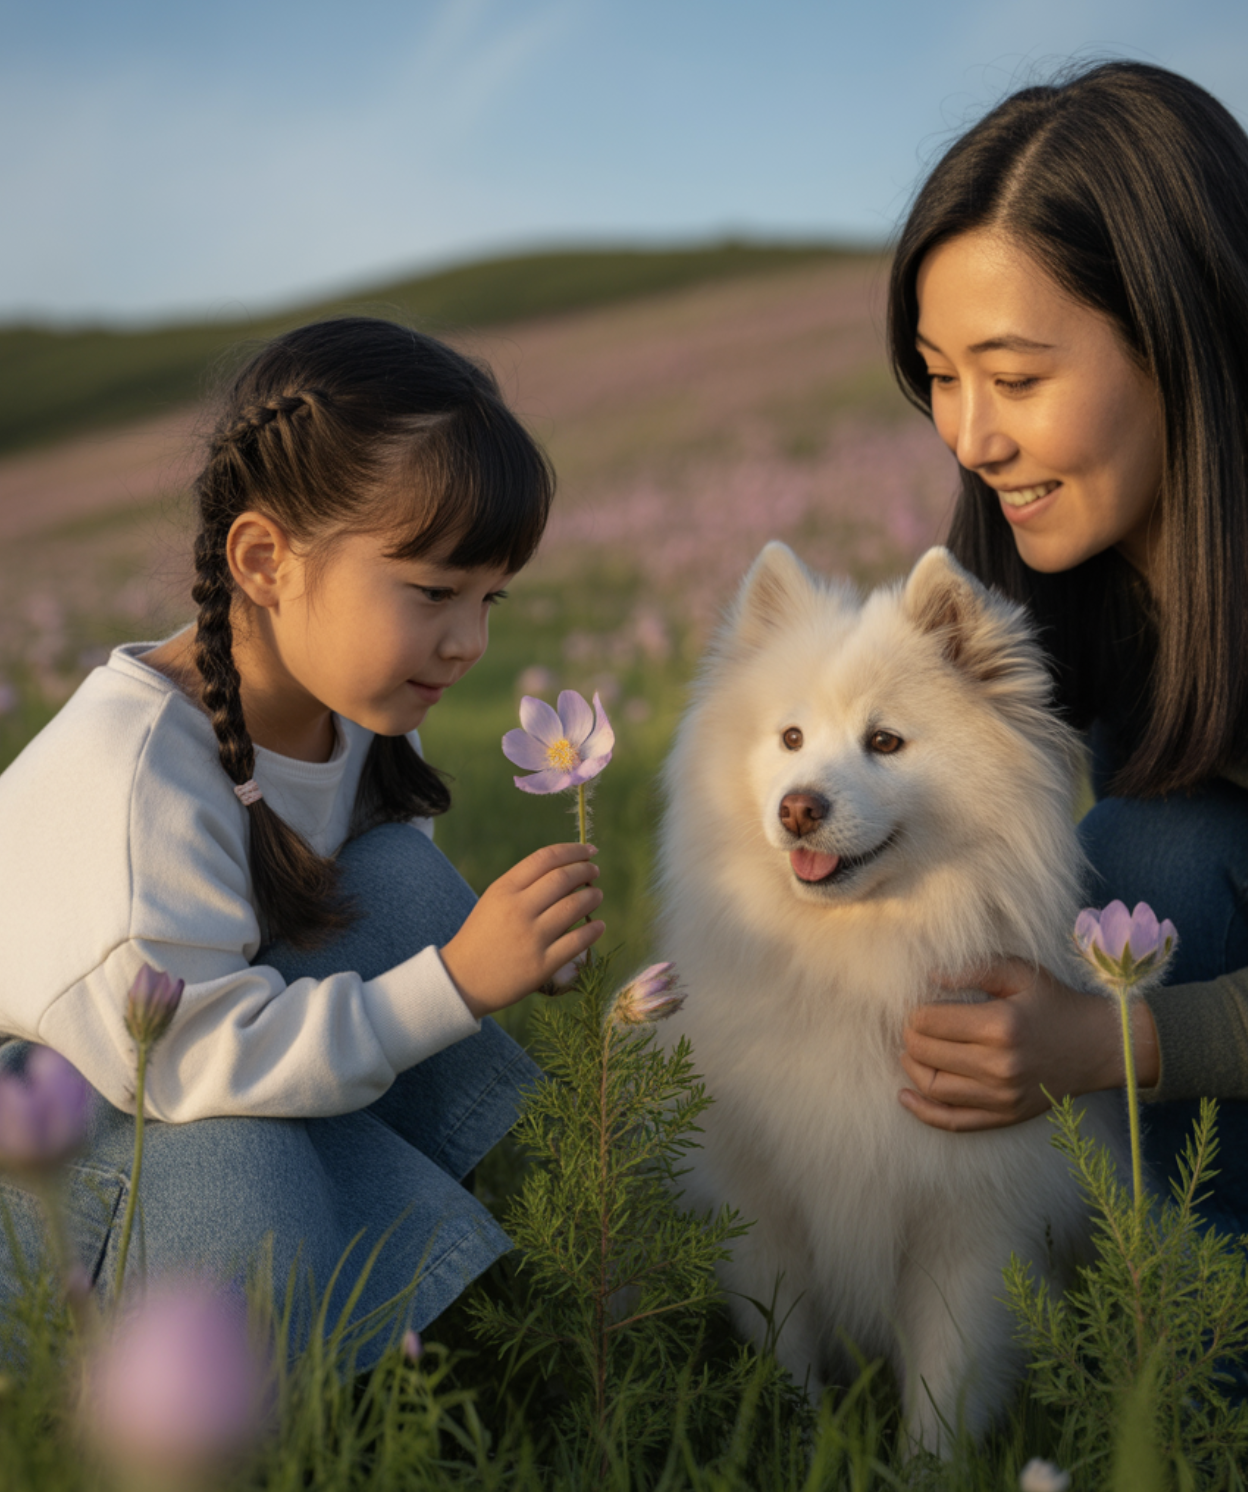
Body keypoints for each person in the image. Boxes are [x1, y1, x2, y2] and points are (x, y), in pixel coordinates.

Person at [0, 317, 605, 1354]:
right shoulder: (138, 769)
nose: (469, 642)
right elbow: (192, 1067)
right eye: (432, 591)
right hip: (46, 1172)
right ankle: (193, 1398)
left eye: (488, 597)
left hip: (160, 1083)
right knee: (247, 1157)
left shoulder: (326, 706)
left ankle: (430, 1291)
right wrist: (456, 983)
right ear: (265, 559)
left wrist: (511, 956)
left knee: (400, 887)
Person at [885, 60, 1248, 1236]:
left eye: (1016, 377)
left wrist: (1110, 1037)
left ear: (1177, 332)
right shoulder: (1059, 582)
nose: (972, 436)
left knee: (1151, 854)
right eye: (941, 378)